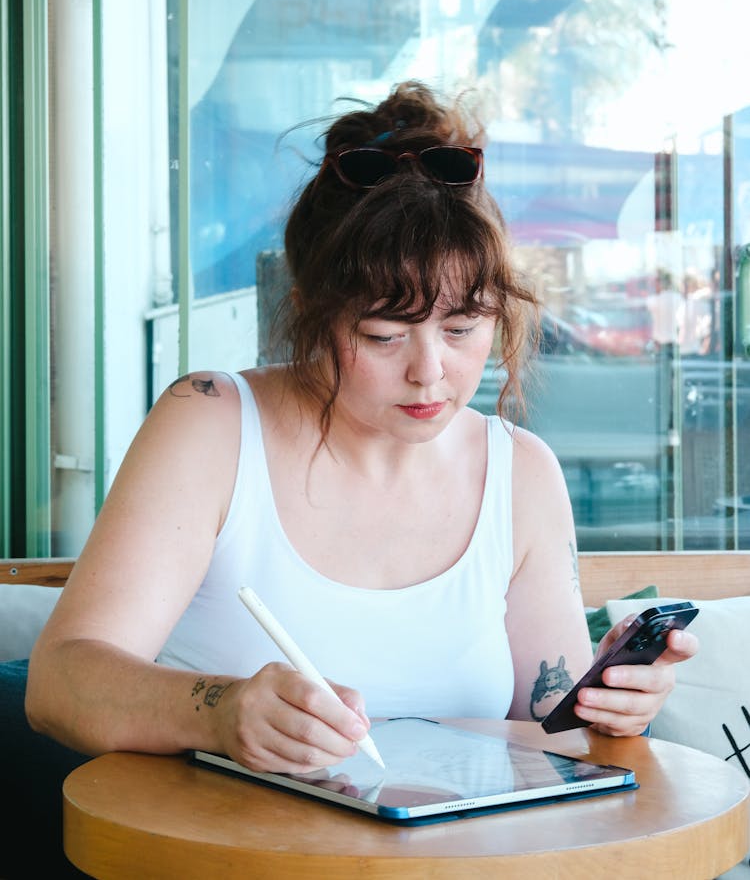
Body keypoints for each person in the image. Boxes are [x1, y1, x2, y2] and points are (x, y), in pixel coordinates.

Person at [27, 80, 697, 779]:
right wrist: (220, 711)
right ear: (311, 310)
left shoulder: (520, 472)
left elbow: (551, 726)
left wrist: (618, 702)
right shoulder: (212, 426)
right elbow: (60, 684)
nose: (430, 372)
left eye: (464, 328)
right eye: (383, 335)